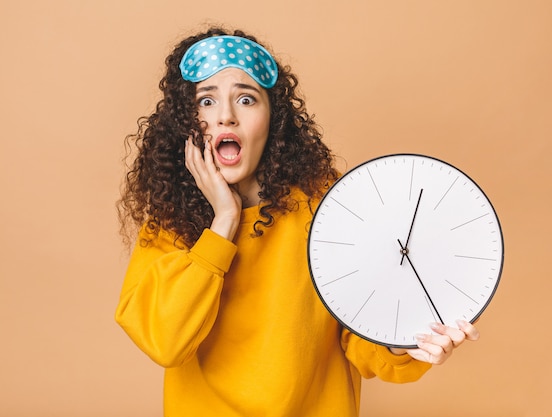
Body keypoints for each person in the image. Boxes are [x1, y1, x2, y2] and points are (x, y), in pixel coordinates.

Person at [115, 25, 480, 416]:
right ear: (185, 123)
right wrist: (224, 220)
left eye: (246, 99)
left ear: (274, 119)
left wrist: (404, 342)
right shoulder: (170, 222)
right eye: (206, 101)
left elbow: (363, 342)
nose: (225, 117)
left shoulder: (326, 206)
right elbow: (166, 341)